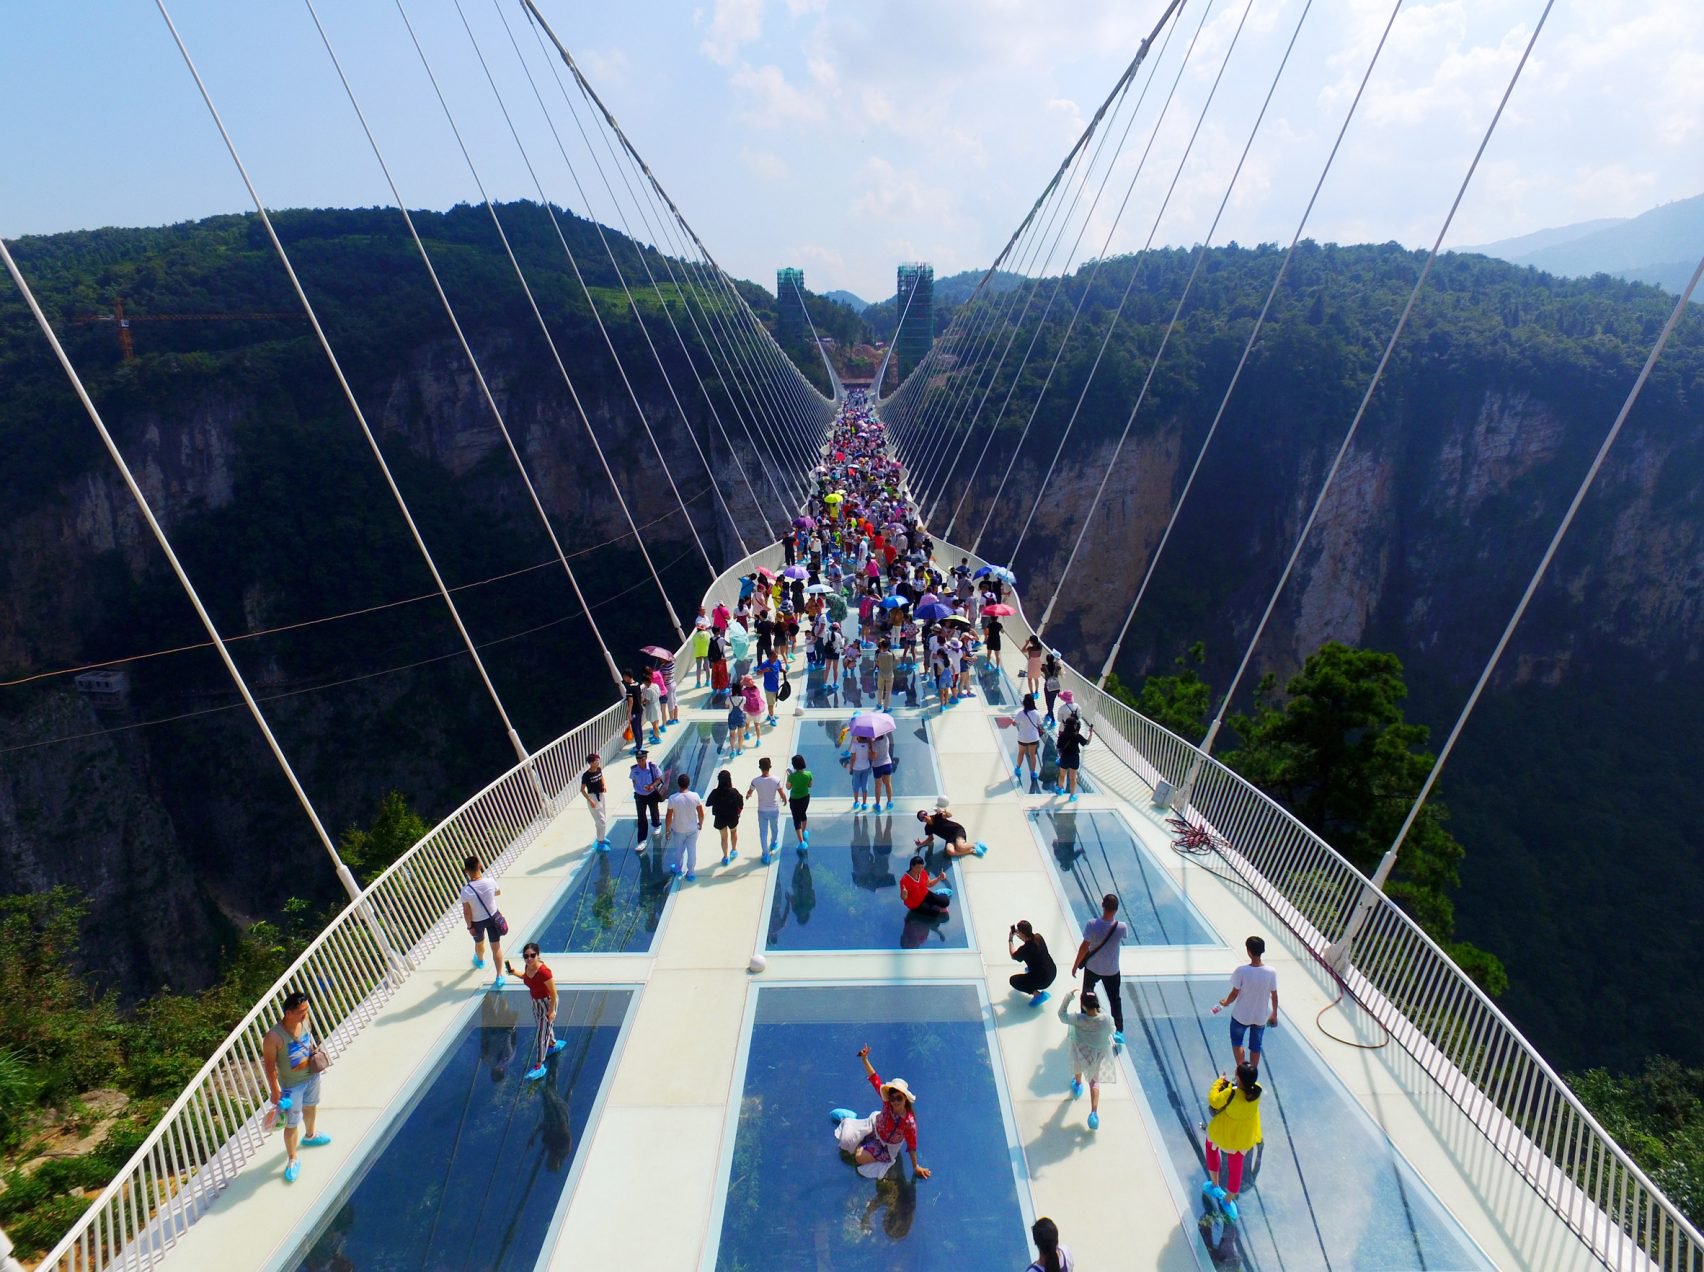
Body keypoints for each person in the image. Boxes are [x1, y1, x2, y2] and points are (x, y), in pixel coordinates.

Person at [830, 1045, 931, 1180]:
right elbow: (874, 1078)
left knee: (859, 1157)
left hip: (885, 1145)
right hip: (873, 1127)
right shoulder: (887, 1102)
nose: (894, 1101)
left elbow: (912, 1146)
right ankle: (849, 1119)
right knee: (845, 1142)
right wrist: (865, 1059)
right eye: (892, 1097)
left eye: (899, 1098)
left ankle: (861, 1139)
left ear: (905, 1099)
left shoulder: (909, 1122)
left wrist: (915, 1167)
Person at [263, 990, 329, 1183]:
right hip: (292, 1086)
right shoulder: (274, 1037)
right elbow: (269, 1067)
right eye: (301, 1011)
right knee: (291, 1123)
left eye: (306, 1009)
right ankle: (292, 1158)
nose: (305, 1014)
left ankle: (310, 1135)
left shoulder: (304, 1022)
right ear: (288, 1013)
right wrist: (275, 1091)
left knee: (311, 1106)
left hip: (311, 1076)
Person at [1203, 1064, 1264, 1220]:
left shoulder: (1231, 1093)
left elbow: (1213, 1100)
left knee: (1211, 1147)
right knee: (1236, 1169)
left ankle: (1214, 1185)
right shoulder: (1257, 1091)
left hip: (1224, 1133)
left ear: (1237, 1075)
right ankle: (1228, 1201)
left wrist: (1220, 1082)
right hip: (1243, 1138)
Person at [503, 943, 567, 1081]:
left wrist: (551, 1011)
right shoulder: (528, 967)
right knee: (543, 1028)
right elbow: (527, 978)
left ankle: (539, 1065)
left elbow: (554, 992)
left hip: (548, 1002)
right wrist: (514, 972)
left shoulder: (544, 972)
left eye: (532, 955)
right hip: (537, 1003)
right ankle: (552, 1044)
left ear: (538, 955)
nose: (529, 958)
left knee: (541, 1034)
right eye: (526, 956)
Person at [1071, 893, 1127, 1046]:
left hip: (1093, 968)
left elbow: (1084, 947)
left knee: (1086, 994)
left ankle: (1084, 1023)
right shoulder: (1122, 927)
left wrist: (1076, 965)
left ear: (1102, 905)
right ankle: (1119, 1031)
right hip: (1112, 970)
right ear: (1116, 909)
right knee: (1115, 999)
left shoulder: (1092, 924)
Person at [1059, 988, 1116, 1130]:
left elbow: (1062, 1015)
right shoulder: (1107, 1019)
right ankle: (1094, 1113)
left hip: (1080, 1051)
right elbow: (1112, 1030)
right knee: (1094, 1082)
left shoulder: (1078, 1019)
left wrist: (1068, 997)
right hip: (1097, 1054)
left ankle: (1077, 1084)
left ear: (1083, 1005)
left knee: (1077, 1065)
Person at [1220, 936, 1279, 1070]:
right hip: (1260, 1017)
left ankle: (1242, 1073)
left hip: (1241, 1015)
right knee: (1256, 1046)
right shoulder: (1271, 972)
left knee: (1237, 1042)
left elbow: (1235, 993)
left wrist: (1225, 1002)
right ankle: (1252, 1073)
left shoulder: (1241, 971)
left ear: (1249, 951)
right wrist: (1274, 1014)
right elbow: (1274, 995)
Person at [459, 856, 505, 987]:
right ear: (480, 865)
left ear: (466, 871)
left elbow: (467, 912)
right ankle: (499, 976)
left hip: (477, 921)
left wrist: (469, 927)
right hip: (493, 917)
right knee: (496, 947)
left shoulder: (466, 891)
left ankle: (479, 960)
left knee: (479, 943)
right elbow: (498, 892)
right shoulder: (490, 882)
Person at [665, 772, 706, 880]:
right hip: (692, 829)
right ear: (688, 784)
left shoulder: (672, 798)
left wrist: (667, 830)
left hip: (678, 829)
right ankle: (691, 872)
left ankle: (678, 868)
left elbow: (669, 817)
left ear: (678, 784)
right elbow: (701, 813)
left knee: (679, 850)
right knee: (692, 850)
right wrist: (700, 824)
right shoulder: (695, 796)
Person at [1007, 920, 1057, 1004]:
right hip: (1052, 971)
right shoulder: (1038, 937)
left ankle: (1037, 994)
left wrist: (1010, 940)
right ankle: (1032, 975)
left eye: (1018, 931)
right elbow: (1028, 940)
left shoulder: (1025, 949)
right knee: (1035, 962)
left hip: (1043, 980)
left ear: (1022, 933)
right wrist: (1018, 934)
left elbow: (1013, 955)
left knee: (1013, 980)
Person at [747, 756, 785, 865]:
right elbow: (781, 793)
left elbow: (750, 792)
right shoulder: (776, 780)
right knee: (774, 827)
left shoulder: (755, 781)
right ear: (770, 767)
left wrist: (748, 795)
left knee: (763, 832)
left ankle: (765, 854)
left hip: (762, 810)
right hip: (773, 809)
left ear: (760, 768)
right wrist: (784, 799)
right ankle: (773, 842)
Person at [914, 807, 986, 858]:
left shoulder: (937, 816)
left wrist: (945, 812)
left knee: (960, 847)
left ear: (927, 813)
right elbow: (930, 839)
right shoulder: (927, 828)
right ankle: (971, 851)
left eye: (924, 814)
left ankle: (975, 845)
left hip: (957, 830)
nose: (925, 816)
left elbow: (949, 815)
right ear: (922, 821)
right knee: (950, 851)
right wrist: (921, 844)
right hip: (949, 838)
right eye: (922, 817)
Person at [706, 769, 744, 866]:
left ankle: (725, 856)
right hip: (732, 816)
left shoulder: (715, 792)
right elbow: (741, 802)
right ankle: (734, 850)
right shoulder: (733, 791)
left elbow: (708, 803)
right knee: (733, 832)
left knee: (723, 838)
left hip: (720, 818)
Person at [1055, 715, 1091, 801]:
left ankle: (1060, 789)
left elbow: (1058, 746)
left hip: (1064, 757)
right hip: (1074, 758)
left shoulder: (1062, 735)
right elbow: (1087, 742)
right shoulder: (1077, 736)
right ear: (1075, 726)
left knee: (1062, 775)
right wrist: (1091, 733)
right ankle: (1072, 795)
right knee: (1073, 778)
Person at [1013, 693, 1045, 785]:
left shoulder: (1020, 713)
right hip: (1033, 737)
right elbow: (1040, 724)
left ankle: (1018, 768)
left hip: (1023, 737)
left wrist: (1012, 722)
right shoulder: (1036, 713)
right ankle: (1033, 772)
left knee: (1021, 753)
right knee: (1032, 755)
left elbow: (1015, 723)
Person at [581, 753, 610, 850]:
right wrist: (590, 800)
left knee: (604, 817)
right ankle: (600, 842)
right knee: (600, 821)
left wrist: (604, 785)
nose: (598, 762)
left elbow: (601, 777)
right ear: (591, 763)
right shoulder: (586, 775)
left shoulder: (598, 769)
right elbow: (582, 789)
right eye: (596, 761)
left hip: (601, 795)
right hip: (593, 797)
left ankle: (602, 836)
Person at [786, 753, 814, 851]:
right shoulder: (809, 774)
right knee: (803, 815)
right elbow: (810, 785)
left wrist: (789, 776)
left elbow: (788, 787)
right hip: (805, 797)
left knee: (796, 819)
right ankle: (804, 831)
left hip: (795, 800)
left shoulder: (792, 776)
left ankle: (801, 842)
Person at [869, 728, 895, 810]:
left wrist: (870, 746)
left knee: (878, 786)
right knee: (888, 783)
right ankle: (889, 802)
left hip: (877, 766)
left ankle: (877, 804)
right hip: (887, 763)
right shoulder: (886, 738)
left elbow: (873, 757)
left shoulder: (875, 744)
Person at [848, 730, 874, 811]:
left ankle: (856, 802)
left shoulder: (854, 745)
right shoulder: (868, 745)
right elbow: (870, 757)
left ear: (858, 737)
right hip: (865, 767)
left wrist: (851, 768)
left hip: (856, 768)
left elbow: (853, 758)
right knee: (864, 785)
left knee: (856, 785)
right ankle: (864, 803)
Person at [622, 669, 644, 753]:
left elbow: (630, 701)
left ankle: (638, 747)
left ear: (627, 676)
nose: (624, 678)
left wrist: (629, 713)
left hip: (634, 711)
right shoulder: (637, 684)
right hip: (640, 709)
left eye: (624, 676)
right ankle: (640, 744)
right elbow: (641, 696)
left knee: (635, 729)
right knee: (639, 727)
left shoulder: (629, 688)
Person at [875, 637, 896, 710]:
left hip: (881, 674)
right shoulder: (891, 655)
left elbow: (877, 663)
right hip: (889, 675)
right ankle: (886, 707)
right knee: (888, 692)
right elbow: (895, 661)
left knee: (880, 689)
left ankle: (879, 703)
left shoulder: (879, 655)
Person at [1041, 653, 1063, 725]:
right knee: (1052, 702)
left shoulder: (1044, 667)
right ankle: (1049, 713)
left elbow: (1041, 669)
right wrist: (1057, 661)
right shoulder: (1057, 667)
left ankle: (1052, 719)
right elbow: (1060, 668)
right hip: (1055, 687)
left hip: (1048, 687)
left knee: (1048, 703)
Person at [726, 687, 748, 756]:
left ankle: (733, 750)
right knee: (740, 735)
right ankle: (740, 749)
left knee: (732, 735)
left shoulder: (729, 699)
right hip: (740, 718)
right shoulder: (743, 698)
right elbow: (744, 706)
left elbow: (726, 706)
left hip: (732, 718)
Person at [692, 623, 711, 688]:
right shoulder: (708, 634)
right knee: (707, 667)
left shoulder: (695, 636)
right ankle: (708, 681)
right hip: (706, 652)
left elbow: (694, 645)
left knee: (698, 668)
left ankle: (698, 683)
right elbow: (710, 643)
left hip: (698, 653)